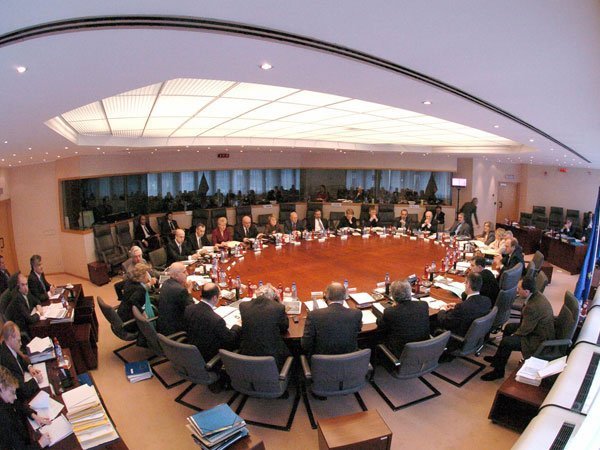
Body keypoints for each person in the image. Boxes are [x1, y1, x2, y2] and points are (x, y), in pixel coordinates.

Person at [481, 277, 554, 381]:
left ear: (526, 291)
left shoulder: (533, 306)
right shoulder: (535, 296)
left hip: (537, 338)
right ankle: (498, 359)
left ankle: (498, 372)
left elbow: (525, 330)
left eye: (519, 289)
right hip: (535, 328)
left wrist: (514, 335)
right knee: (509, 327)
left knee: (507, 342)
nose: (517, 290)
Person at [184, 282, 241, 362]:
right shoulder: (216, 320)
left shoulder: (189, 309)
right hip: (209, 356)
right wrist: (237, 325)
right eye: (219, 296)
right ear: (214, 298)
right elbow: (230, 339)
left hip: (193, 352)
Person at [301, 282, 362, 357]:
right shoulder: (356, 314)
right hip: (350, 360)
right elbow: (358, 331)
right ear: (345, 296)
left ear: (326, 295)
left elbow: (305, 345)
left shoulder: (314, 315)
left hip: (322, 362)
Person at [239, 284, 290, 369]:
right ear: (272, 297)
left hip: (247, 358)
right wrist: (279, 302)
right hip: (272, 360)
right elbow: (284, 327)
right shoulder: (278, 307)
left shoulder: (243, 306)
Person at [0, 366, 51, 450]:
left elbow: (17, 404)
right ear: (1, 387)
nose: (15, 397)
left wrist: (32, 415)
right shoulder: (3, 418)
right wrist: (40, 444)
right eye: (12, 393)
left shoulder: (4, 397)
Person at [376, 280, 430, 357]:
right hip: (425, 349)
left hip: (402, 353)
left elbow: (380, 324)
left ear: (393, 296)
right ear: (410, 292)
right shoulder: (423, 305)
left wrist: (393, 308)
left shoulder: (390, 312)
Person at [437, 273, 492, 343]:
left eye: (465, 283)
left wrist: (442, 309)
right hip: (476, 338)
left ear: (468, 285)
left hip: (459, 339)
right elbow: (472, 308)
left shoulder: (462, 307)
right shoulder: (487, 301)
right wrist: (456, 306)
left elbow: (444, 321)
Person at [0, 321, 42, 400]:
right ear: (10, 338)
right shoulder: (7, 360)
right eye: (18, 340)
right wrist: (36, 380)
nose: (21, 343)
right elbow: (22, 391)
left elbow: (20, 360)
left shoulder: (8, 347)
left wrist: (29, 367)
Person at [157, 262, 193, 336]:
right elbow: (191, 310)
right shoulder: (180, 290)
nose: (187, 274)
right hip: (175, 330)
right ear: (176, 276)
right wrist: (189, 291)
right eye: (184, 272)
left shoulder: (166, 283)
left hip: (164, 327)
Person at [6, 273, 43, 338]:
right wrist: (38, 313)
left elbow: (36, 300)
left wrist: (38, 305)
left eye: (26, 284)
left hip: (30, 324)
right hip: (24, 329)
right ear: (18, 286)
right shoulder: (17, 298)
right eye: (23, 285)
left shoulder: (26, 292)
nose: (26, 288)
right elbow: (30, 320)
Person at [117, 263, 150, 331]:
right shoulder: (140, 289)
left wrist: (123, 298)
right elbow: (133, 300)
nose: (148, 277)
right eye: (147, 274)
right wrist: (143, 313)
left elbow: (117, 286)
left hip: (121, 315)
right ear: (142, 277)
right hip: (129, 322)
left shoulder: (129, 281)